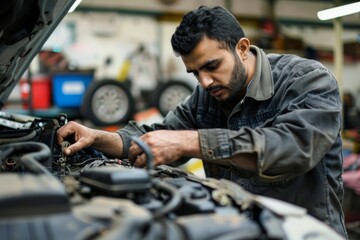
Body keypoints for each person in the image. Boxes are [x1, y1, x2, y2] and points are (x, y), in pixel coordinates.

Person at [57, 5, 348, 238]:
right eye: (195, 73)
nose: (205, 82)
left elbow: (292, 147)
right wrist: (97, 136)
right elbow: (157, 135)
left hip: (303, 232)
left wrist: (192, 141)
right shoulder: (206, 96)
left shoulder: (308, 80)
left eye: (212, 66)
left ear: (243, 48)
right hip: (238, 229)